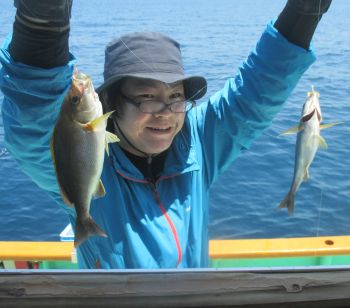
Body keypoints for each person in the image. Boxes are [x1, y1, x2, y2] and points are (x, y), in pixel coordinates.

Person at [0, 0, 332, 269]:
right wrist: (42, 21)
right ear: (111, 103)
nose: (165, 112)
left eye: (176, 97)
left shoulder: (198, 142)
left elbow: (258, 89)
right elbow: (32, 124)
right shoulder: (83, 153)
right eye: (146, 97)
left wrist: (306, 9)